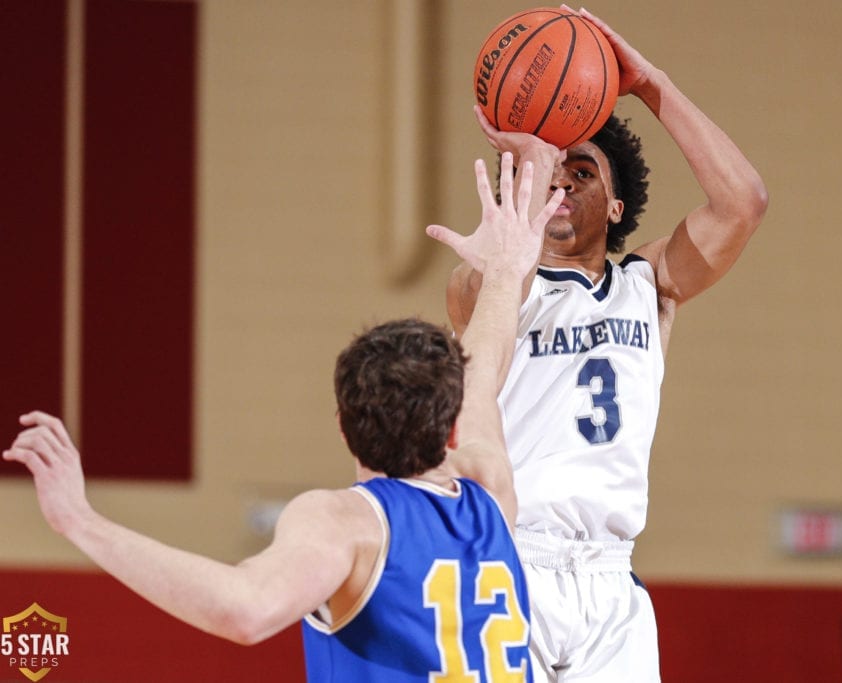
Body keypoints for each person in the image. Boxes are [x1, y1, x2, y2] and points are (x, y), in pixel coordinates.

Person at [4, 153, 565, 682]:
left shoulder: (346, 522)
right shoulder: (489, 490)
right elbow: (485, 365)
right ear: (451, 429)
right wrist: (506, 268)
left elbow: (245, 611)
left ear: (344, 426)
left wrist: (80, 520)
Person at [444, 7, 769, 682]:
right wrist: (531, 161)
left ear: (618, 206)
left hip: (610, 577)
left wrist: (651, 85)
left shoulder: (649, 285)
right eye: (546, 171)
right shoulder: (490, 284)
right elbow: (488, 286)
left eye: (581, 170)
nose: (560, 180)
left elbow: (743, 202)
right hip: (512, 555)